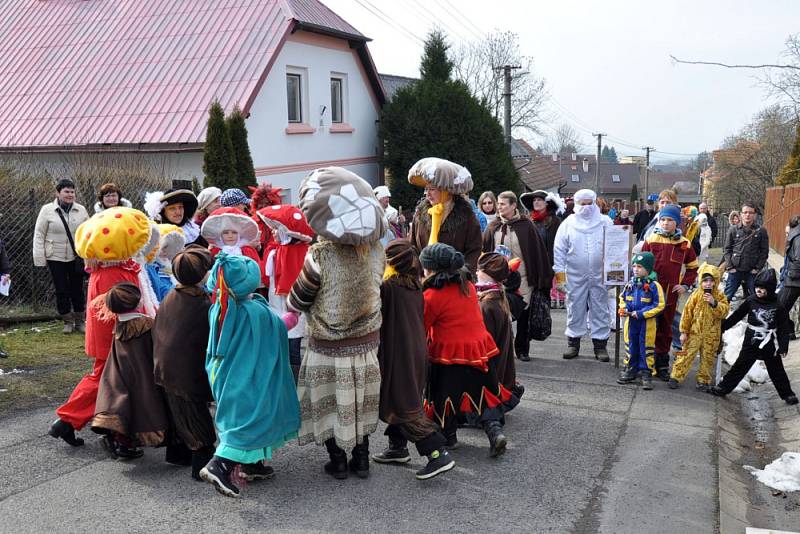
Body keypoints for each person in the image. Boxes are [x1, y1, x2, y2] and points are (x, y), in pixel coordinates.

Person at [288, 167, 386, 480]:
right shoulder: (375, 251)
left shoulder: (319, 254)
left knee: (329, 404)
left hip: (327, 345)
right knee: (358, 404)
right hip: (366, 343)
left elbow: (300, 298)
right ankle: (362, 459)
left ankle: (338, 462)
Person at [48, 207, 156, 448]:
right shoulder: (116, 273)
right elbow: (126, 307)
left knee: (103, 378)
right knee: (107, 380)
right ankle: (75, 421)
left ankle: (68, 422)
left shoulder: (106, 270)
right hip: (114, 336)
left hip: (106, 335)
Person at [198, 253, 300, 497]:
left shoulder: (220, 306)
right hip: (250, 376)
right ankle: (219, 465)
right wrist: (292, 317)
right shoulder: (253, 310)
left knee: (239, 417)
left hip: (226, 374)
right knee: (252, 419)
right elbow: (277, 329)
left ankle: (251, 464)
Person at [372, 240, 455, 480]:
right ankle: (397, 448)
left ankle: (438, 453)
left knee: (403, 404)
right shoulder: (415, 286)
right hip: (416, 352)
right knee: (404, 398)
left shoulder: (388, 288)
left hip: (399, 355)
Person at [420, 243, 508, 457]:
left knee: (445, 397)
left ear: (431, 269)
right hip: (479, 349)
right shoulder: (466, 285)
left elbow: (423, 325)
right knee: (484, 394)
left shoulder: (432, 295)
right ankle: (494, 431)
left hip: (449, 353)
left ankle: (449, 437)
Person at [152, 246, 217, 480]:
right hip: (186, 372)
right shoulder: (200, 304)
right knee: (195, 417)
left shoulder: (171, 296)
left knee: (177, 412)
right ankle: (201, 463)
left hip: (164, 367)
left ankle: (178, 453)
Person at [91, 282, 168, 459]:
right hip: (143, 375)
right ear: (137, 303)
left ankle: (119, 440)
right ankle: (127, 444)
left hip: (121, 374)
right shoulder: (147, 324)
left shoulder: (118, 326)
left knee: (124, 408)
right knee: (142, 409)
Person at [482, 191, 552, 362]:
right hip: (500, 279)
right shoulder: (493, 227)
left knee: (523, 314)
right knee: (502, 313)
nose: (499, 207)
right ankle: (500, 348)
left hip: (524, 278)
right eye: (498, 204)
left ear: (513, 206)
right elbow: (484, 251)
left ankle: (521, 348)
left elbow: (537, 252)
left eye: (503, 204)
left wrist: (542, 278)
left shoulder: (526, 226)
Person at [711, 269, 798, 405]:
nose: (759, 290)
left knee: (776, 370)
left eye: (762, 289)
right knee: (740, 366)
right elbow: (737, 315)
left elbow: (783, 328)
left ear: (769, 289)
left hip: (769, 342)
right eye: (757, 287)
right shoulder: (751, 301)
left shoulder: (778, 306)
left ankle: (787, 394)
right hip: (751, 341)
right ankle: (723, 388)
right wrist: (724, 326)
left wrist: (783, 346)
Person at [641, 203, 699, 380]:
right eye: (663, 219)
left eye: (670, 220)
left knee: (666, 327)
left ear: (677, 223)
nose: (665, 223)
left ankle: (662, 363)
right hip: (650, 292)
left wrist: (686, 285)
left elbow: (692, 267)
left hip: (670, 294)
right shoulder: (651, 239)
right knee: (649, 326)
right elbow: (641, 263)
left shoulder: (684, 243)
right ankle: (646, 363)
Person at [553, 188, 613, 361]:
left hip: (600, 275)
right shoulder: (567, 224)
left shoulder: (605, 222)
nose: (586, 207)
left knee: (600, 309)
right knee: (575, 308)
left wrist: (615, 274)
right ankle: (573, 344)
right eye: (582, 204)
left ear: (595, 203)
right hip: (574, 275)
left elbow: (615, 248)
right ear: (576, 205)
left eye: (589, 204)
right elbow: (559, 252)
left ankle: (600, 346)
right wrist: (560, 277)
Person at [256, 204, 314, 381]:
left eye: (277, 229)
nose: (273, 233)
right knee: (282, 346)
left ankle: (295, 382)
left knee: (293, 348)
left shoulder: (302, 253)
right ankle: (284, 379)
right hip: (278, 305)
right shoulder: (275, 252)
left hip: (295, 307)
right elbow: (268, 279)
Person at [32, 178, 90, 333]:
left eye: (72, 191)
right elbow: (39, 234)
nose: (70, 194)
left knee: (77, 289)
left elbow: (88, 233)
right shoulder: (47, 210)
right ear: (57, 193)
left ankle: (80, 321)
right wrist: (39, 258)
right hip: (54, 257)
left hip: (76, 256)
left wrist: (88, 255)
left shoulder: (81, 210)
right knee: (61, 289)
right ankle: (67, 321)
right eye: (66, 191)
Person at [409, 157, 482, 274]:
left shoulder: (466, 216)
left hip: (453, 283)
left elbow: (474, 251)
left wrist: (462, 276)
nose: (427, 194)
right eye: (426, 189)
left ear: (446, 191)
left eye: (432, 189)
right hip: (425, 282)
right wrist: (417, 274)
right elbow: (412, 246)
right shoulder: (420, 214)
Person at [669, 263, 729, 391]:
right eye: (705, 280)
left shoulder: (719, 296)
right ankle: (676, 376)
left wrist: (714, 303)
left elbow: (724, 312)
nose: (708, 284)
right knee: (686, 354)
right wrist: (684, 331)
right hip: (694, 332)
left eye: (711, 281)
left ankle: (703, 380)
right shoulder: (696, 295)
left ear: (716, 282)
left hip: (711, 334)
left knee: (708, 358)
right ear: (700, 281)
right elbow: (687, 313)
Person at [477, 252, 524, 410]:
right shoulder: (496, 297)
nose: (476, 273)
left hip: (491, 371)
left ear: (489, 275)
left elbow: (485, 345)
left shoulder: (487, 305)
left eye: (480, 270)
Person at [616, 252, 665, 390]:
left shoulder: (654, 285)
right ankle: (631, 369)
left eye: (640, 267)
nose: (636, 269)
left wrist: (642, 314)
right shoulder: (630, 284)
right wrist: (624, 308)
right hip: (631, 322)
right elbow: (623, 298)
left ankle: (646, 372)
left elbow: (659, 304)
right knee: (631, 344)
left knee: (646, 346)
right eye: (634, 266)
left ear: (648, 269)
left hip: (646, 323)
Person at [520, 190, 565, 309]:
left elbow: (557, 245)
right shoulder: (528, 221)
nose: (536, 202)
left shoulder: (555, 221)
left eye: (539, 200)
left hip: (548, 263)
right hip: (532, 264)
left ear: (546, 203)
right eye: (534, 200)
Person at [723, 202, 769, 303]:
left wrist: (757, 268)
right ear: (741, 214)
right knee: (726, 298)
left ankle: (756, 318)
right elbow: (727, 249)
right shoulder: (733, 230)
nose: (748, 215)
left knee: (757, 298)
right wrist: (730, 267)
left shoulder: (761, 231)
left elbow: (764, 252)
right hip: (735, 270)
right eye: (745, 212)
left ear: (755, 215)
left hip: (752, 272)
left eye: (750, 212)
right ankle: (720, 318)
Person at [144, 224, 185, 303]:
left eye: (169, 248)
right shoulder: (151, 267)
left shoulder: (175, 263)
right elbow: (162, 291)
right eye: (162, 247)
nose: (164, 252)